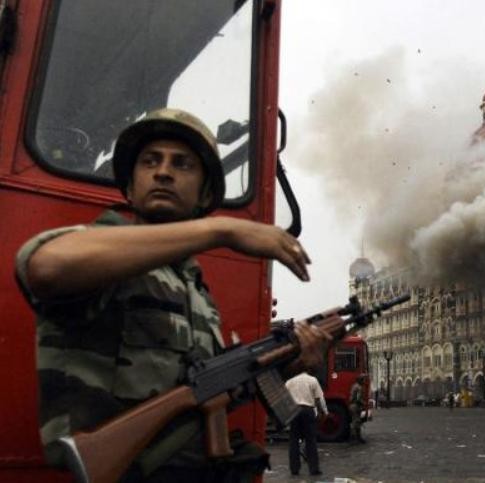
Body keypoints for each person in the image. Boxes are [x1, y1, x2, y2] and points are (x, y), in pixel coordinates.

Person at [14, 108, 332, 482]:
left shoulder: (196, 291)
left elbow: (206, 391)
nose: (163, 172)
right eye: (150, 161)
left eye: (182, 164)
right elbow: (46, 267)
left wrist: (289, 364)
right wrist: (223, 231)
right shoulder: (104, 254)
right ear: (130, 185)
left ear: (204, 193)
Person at [284, 371, 328, 477]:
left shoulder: (289, 382)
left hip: (294, 411)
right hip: (308, 410)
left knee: (293, 441)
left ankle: (294, 469)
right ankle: (314, 469)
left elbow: (285, 399)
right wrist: (322, 412)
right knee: (311, 440)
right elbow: (318, 399)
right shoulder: (312, 380)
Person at [349, 374, 367, 443]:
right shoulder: (359, 387)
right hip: (355, 406)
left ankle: (357, 438)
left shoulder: (354, 386)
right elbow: (358, 399)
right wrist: (364, 403)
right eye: (363, 380)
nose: (364, 381)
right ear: (360, 380)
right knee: (356, 422)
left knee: (356, 422)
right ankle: (354, 438)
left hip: (352, 405)